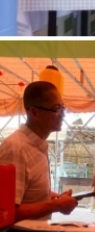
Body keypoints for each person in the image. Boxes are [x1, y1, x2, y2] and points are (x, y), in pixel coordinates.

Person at [0, 81, 78, 221]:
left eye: (63, 108)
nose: (63, 115)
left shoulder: (37, 146)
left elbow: (30, 193)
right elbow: (6, 212)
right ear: (34, 113)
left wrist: (55, 197)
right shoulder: (16, 148)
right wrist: (56, 205)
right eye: (56, 108)